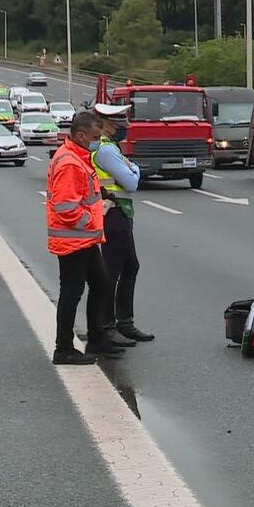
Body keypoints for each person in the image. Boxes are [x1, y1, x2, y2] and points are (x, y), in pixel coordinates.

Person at [47, 111, 124, 365]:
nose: (97, 140)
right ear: (81, 135)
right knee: (72, 292)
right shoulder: (69, 162)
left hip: (85, 239)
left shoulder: (79, 156)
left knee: (101, 286)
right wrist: (91, 221)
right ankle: (64, 348)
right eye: (94, 136)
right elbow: (65, 207)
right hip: (74, 240)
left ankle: (97, 339)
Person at [91, 103, 154, 343]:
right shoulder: (107, 150)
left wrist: (132, 168)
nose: (124, 128)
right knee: (112, 272)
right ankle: (107, 326)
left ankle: (124, 322)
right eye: (120, 124)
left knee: (130, 267)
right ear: (107, 125)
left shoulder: (112, 147)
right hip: (113, 214)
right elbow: (131, 184)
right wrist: (135, 169)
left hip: (122, 213)